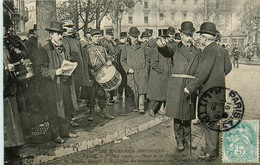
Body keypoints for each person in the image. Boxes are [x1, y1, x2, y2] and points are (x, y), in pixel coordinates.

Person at [184, 22, 232, 160]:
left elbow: (202, 72)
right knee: (214, 120)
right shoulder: (222, 50)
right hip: (219, 92)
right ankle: (212, 147)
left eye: (200, 37)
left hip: (209, 94)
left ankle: (211, 152)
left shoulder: (208, 51)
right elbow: (228, 68)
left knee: (208, 121)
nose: (199, 39)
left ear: (205, 38)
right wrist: (217, 76)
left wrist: (190, 87)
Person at [157, 21, 199, 151]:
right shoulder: (175, 47)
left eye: (191, 35)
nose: (189, 38)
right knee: (177, 115)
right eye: (187, 35)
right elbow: (165, 50)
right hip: (177, 86)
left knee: (188, 115)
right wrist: (161, 45)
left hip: (190, 86)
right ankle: (179, 141)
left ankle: (188, 139)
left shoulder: (197, 50)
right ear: (181, 35)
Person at [35, 21, 78, 143]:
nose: (60, 36)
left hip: (64, 83)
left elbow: (66, 61)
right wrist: (54, 72)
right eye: (58, 34)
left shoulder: (63, 48)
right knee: (54, 110)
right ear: (51, 35)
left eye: (61, 34)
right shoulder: (44, 50)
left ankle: (65, 131)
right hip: (51, 86)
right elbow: (40, 70)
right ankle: (55, 135)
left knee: (65, 108)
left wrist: (72, 64)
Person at [4, 12, 25, 164]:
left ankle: (12, 150)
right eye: (4, 28)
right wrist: (5, 67)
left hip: (9, 87)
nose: (7, 31)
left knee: (11, 121)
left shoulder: (5, 44)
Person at [62, 20, 92, 124]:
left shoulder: (75, 39)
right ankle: (70, 117)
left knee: (74, 94)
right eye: (68, 26)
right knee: (69, 95)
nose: (70, 28)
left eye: (71, 26)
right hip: (68, 72)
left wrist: (82, 37)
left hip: (78, 71)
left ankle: (72, 115)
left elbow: (86, 45)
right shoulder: (63, 40)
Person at [86, 29, 115, 120]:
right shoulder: (87, 49)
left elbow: (108, 57)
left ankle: (104, 112)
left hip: (101, 74)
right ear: (91, 37)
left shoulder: (102, 48)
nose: (97, 38)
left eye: (99, 36)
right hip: (91, 74)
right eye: (95, 36)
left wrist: (109, 61)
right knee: (91, 94)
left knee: (102, 94)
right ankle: (91, 113)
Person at [121, 27, 149, 114]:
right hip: (131, 72)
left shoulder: (143, 46)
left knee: (142, 89)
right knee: (133, 89)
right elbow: (123, 60)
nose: (135, 39)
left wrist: (146, 67)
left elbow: (147, 57)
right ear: (129, 36)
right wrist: (128, 68)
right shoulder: (126, 47)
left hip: (141, 71)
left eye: (136, 37)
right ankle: (134, 105)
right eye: (133, 37)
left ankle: (141, 106)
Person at [147, 34, 172, 117]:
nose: (166, 41)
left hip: (164, 75)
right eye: (165, 39)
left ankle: (159, 109)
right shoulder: (155, 49)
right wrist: (161, 70)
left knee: (162, 95)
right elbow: (154, 63)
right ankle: (151, 109)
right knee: (156, 96)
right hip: (158, 76)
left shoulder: (165, 49)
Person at [99, 28, 118, 105]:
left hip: (112, 62)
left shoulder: (110, 42)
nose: (112, 36)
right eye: (110, 35)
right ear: (106, 35)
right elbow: (104, 54)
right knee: (107, 81)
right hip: (108, 63)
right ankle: (108, 99)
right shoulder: (104, 42)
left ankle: (111, 98)